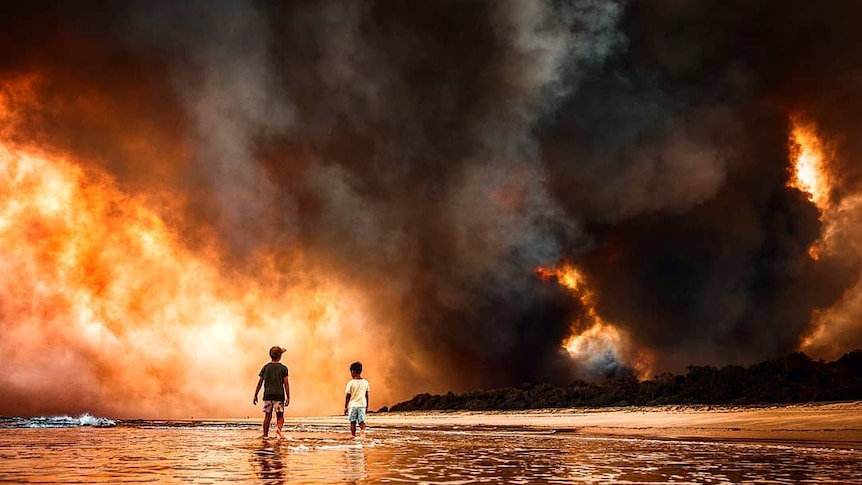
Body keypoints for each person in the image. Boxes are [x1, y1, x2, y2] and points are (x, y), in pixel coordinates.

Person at [253, 346, 290, 439]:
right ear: (280, 356)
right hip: (279, 395)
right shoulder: (283, 368)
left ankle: (265, 435)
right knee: (280, 415)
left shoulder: (265, 367)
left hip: (267, 396)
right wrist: (288, 397)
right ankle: (278, 429)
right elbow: (286, 384)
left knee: (267, 416)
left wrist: (255, 394)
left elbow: (260, 383)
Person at [343, 361, 370, 438]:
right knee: (362, 421)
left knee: (353, 421)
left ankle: (353, 435)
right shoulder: (365, 382)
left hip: (353, 405)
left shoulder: (351, 383)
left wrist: (345, 407)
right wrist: (367, 406)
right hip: (362, 404)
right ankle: (362, 432)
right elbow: (366, 395)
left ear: (353, 372)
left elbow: (348, 396)